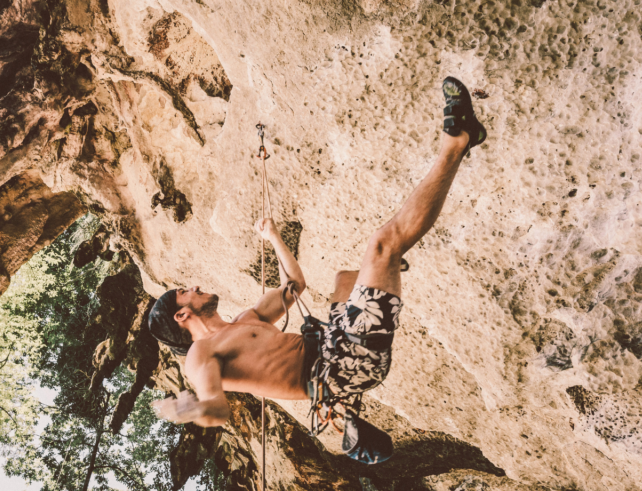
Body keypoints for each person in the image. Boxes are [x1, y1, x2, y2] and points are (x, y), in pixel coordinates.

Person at [150, 77, 486, 427]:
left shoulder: (247, 319)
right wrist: (185, 409)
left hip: (335, 340)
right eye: (184, 293)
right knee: (383, 245)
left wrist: (275, 236)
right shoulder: (199, 355)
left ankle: (385, 269)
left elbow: (295, 283)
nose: (193, 287)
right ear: (182, 316)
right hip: (341, 367)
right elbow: (217, 411)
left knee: (347, 279)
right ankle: (459, 140)